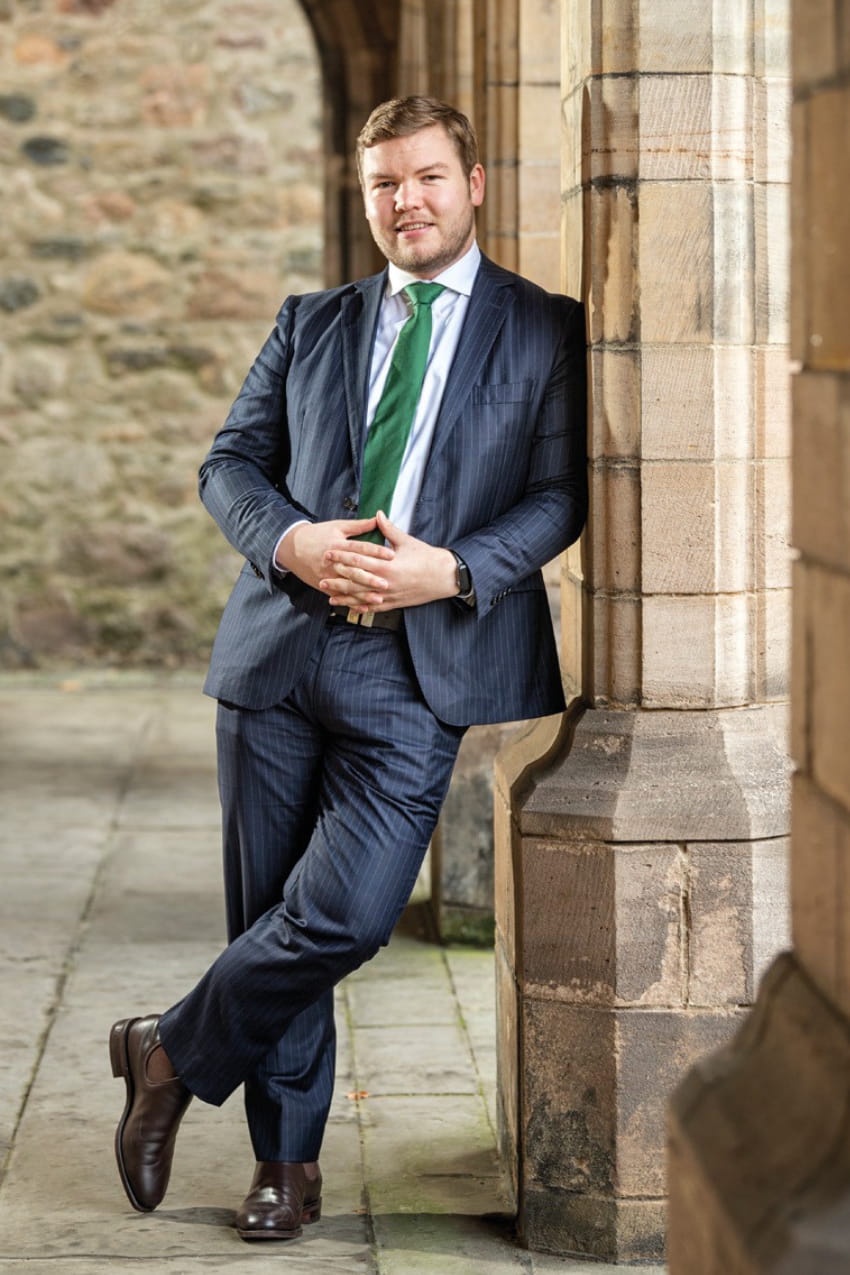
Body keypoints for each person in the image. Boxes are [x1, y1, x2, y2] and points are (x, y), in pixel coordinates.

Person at [109, 94, 587, 1243]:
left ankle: (165, 1050)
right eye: (383, 184)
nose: (405, 201)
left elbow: (564, 493)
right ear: (362, 195)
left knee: (345, 915)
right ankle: (286, 1163)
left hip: (418, 670)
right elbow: (232, 464)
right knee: (266, 910)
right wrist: (292, 540)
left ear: (474, 184)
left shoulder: (545, 328)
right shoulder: (310, 321)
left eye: (426, 177)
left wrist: (456, 571)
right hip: (279, 652)